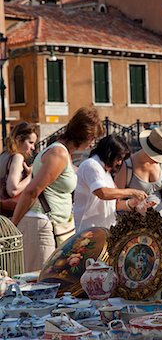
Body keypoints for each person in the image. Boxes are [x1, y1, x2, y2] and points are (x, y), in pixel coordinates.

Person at [12, 107, 102, 272]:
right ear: (85, 135)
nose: (93, 143)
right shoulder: (58, 154)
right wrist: (14, 225)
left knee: (48, 286)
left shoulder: (62, 153)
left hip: (50, 227)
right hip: (43, 227)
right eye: (93, 138)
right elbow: (32, 191)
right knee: (40, 285)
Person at [73, 134, 147, 231]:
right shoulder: (91, 165)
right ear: (109, 154)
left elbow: (114, 204)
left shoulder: (105, 171)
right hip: (88, 230)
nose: (120, 163)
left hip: (104, 229)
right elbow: (103, 193)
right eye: (119, 158)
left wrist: (132, 203)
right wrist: (132, 192)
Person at [114, 127, 162, 217]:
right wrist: (135, 205)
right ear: (148, 151)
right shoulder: (127, 166)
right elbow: (115, 203)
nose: (159, 160)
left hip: (159, 221)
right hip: (135, 223)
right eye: (157, 157)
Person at [0, 122, 37, 217]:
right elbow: (12, 190)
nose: (33, 147)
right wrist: (30, 176)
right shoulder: (17, 157)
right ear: (19, 139)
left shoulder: (4, 155)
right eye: (30, 142)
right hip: (9, 215)